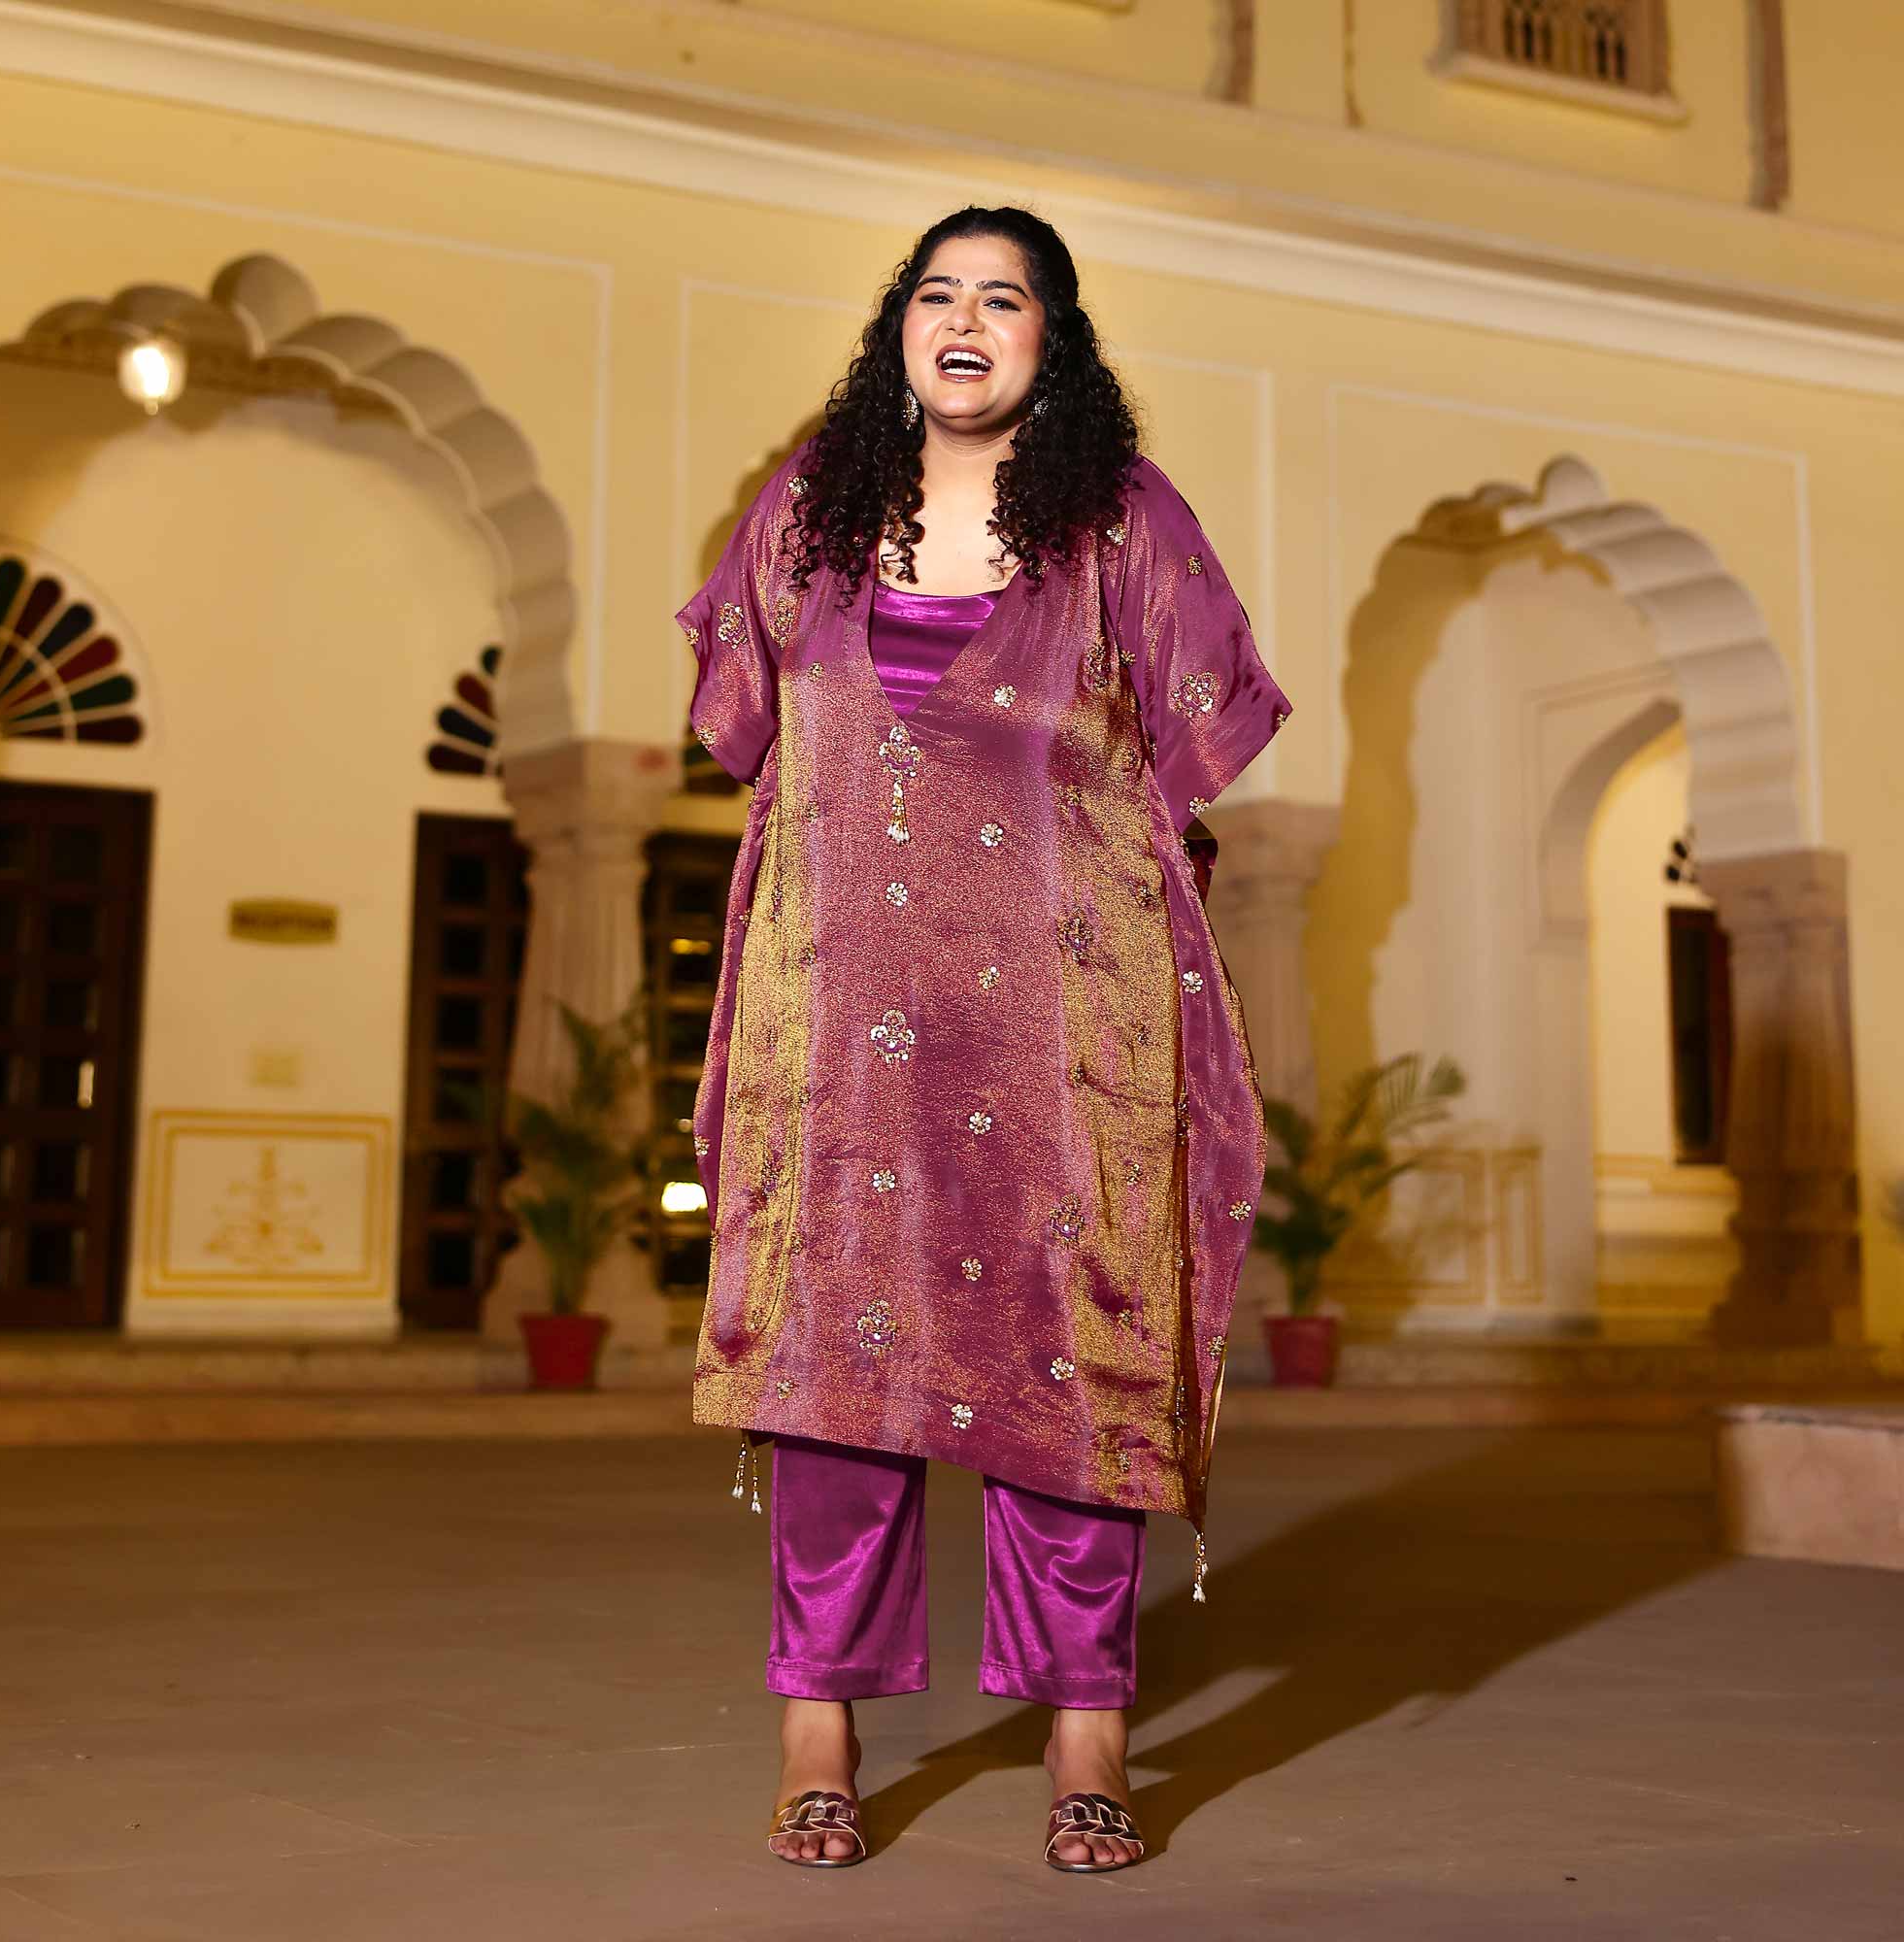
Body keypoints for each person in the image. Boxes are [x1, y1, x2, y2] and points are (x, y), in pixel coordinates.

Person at [677, 205, 1290, 1874]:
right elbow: (747, 732)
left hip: (1060, 1030)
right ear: (898, 329)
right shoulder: (809, 510)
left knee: (1072, 1374)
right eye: (936, 293)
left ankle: (1089, 1739)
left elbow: (1192, 759)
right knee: (833, 1388)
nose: (964, 318)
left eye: (1002, 298)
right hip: (840, 1028)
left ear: (1051, 340)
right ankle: (819, 1737)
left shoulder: (1123, 521)